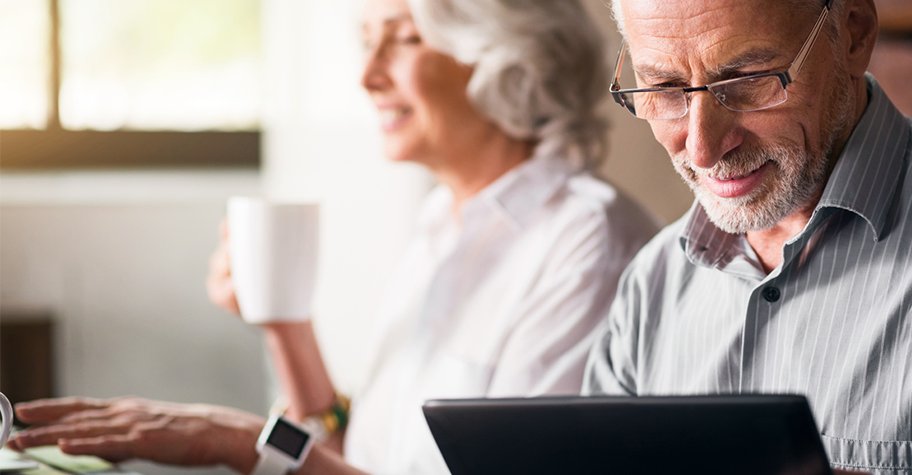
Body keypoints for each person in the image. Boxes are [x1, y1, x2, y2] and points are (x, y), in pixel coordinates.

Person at [8, 0, 659, 474]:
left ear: (505, 56)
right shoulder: (441, 227)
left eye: (401, 39)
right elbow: (350, 459)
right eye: (366, 41)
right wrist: (284, 324)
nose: (367, 75)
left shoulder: (586, 244)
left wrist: (233, 439)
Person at [583, 0, 912, 473]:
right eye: (665, 89)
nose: (702, 147)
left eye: (746, 80)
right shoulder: (650, 285)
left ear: (854, 35)